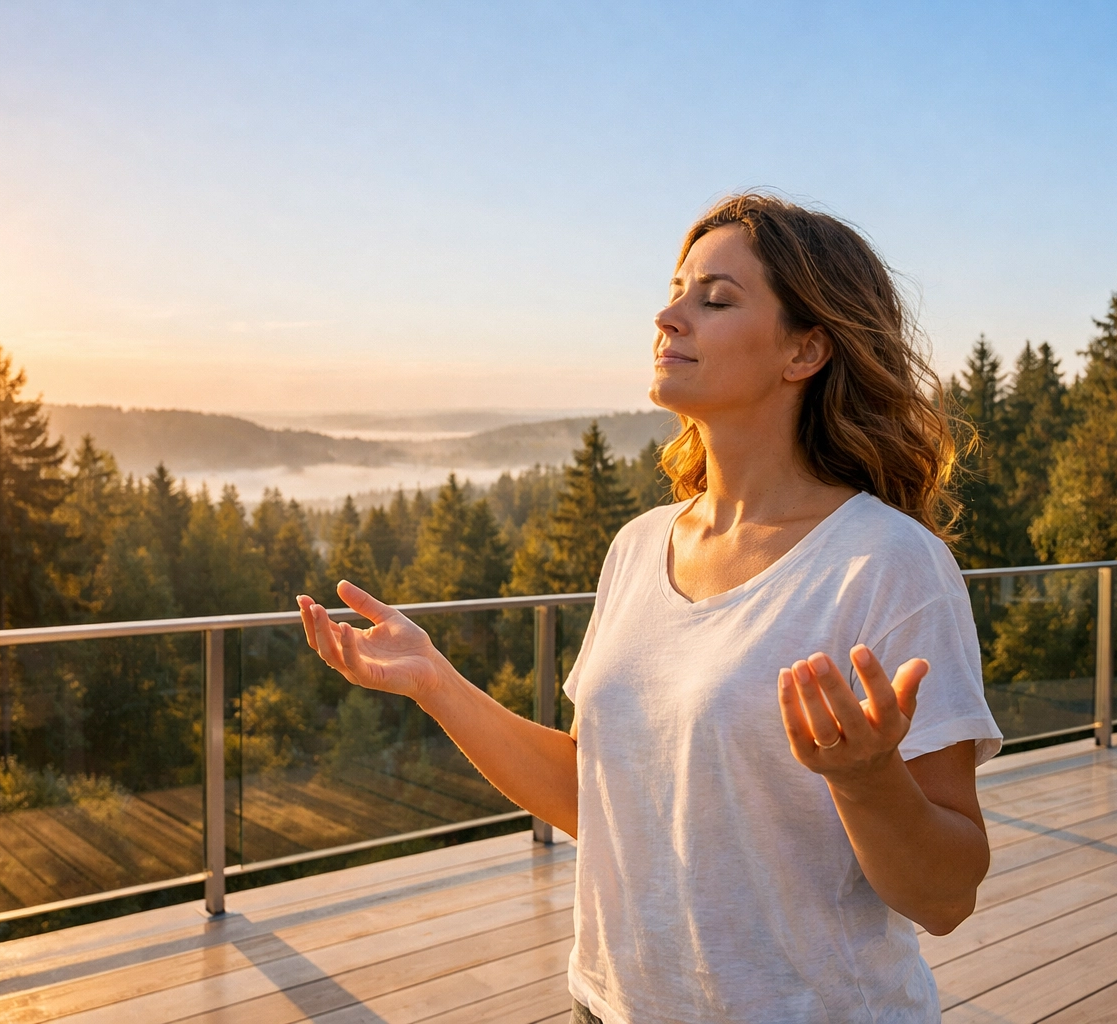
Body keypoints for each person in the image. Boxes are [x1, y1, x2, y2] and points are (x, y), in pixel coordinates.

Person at [297, 193, 1003, 1024]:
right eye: (676, 292)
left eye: (716, 299)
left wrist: (866, 780)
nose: (669, 317)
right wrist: (434, 681)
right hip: (609, 1005)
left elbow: (946, 897)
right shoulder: (639, 546)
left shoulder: (886, 563)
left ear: (805, 349)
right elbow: (598, 798)